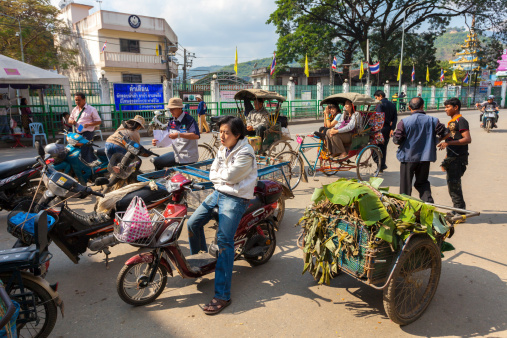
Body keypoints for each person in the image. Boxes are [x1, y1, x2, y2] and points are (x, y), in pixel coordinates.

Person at [186, 115, 257, 315]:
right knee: (192, 223)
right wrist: (222, 178)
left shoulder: (246, 153)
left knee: (225, 243)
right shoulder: (222, 148)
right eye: (221, 132)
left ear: (238, 134)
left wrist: (222, 177)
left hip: (236, 198)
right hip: (219, 192)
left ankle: (223, 295)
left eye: (226, 132)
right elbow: (213, 173)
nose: (221, 136)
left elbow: (229, 176)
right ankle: (202, 261)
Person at [392, 97, 448, 202]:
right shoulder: (433, 120)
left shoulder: (404, 122)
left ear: (409, 107)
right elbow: (445, 133)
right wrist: (436, 140)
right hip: (425, 158)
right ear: (422, 106)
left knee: (405, 186)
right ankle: (429, 204)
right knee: (422, 182)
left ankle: (405, 209)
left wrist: (395, 138)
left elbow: (397, 140)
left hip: (407, 157)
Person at [438, 98, 471, 212]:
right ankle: (458, 209)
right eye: (445, 107)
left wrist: (448, 143)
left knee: (454, 185)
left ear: (455, 107)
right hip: (452, 157)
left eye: (448, 107)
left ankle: (460, 211)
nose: (445, 109)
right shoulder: (452, 122)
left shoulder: (460, 120)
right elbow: (450, 137)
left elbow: (467, 139)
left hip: (458, 158)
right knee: (452, 185)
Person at [151, 97, 200, 170]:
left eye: (173, 109)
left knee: (187, 179)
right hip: (176, 155)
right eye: (170, 109)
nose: (171, 111)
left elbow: (196, 136)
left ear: (180, 108)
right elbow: (167, 136)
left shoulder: (189, 120)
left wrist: (179, 135)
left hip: (188, 157)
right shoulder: (171, 121)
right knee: (157, 161)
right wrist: (157, 141)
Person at [374, 90, 397, 172]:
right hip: (387, 129)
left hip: (380, 128)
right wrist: (392, 129)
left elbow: (380, 116)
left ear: (380, 96)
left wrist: (387, 122)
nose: (376, 99)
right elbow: (395, 118)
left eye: (376, 97)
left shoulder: (380, 104)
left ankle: (380, 164)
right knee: (383, 147)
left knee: (375, 147)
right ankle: (381, 166)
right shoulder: (392, 104)